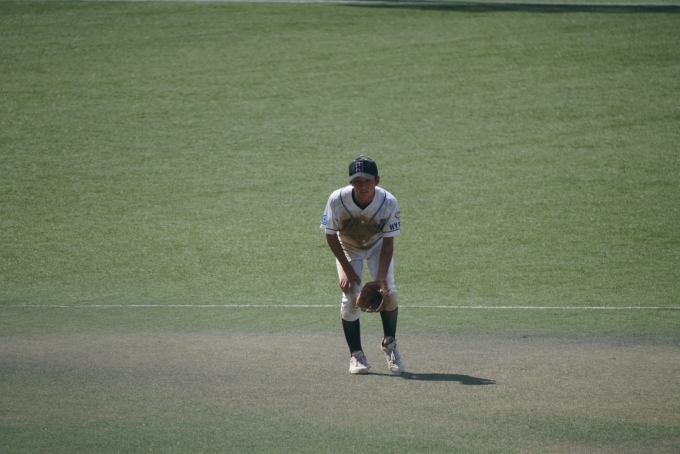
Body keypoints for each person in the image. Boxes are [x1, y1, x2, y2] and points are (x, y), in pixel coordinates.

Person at [320, 156, 405, 375]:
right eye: (357, 181)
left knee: (389, 293)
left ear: (377, 180)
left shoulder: (388, 202)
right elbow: (331, 236)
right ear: (351, 182)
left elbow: (388, 244)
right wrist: (347, 270)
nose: (363, 186)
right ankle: (356, 355)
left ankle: (390, 345)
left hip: (377, 246)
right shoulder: (337, 200)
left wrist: (381, 279)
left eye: (367, 181)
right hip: (348, 247)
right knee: (350, 296)